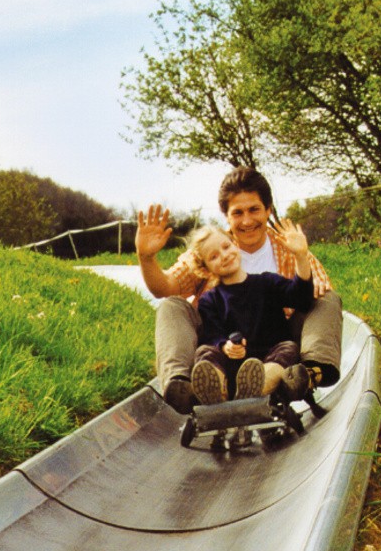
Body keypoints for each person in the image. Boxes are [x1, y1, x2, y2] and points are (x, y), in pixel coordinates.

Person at [136, 166, 343, 414]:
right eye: (238, 213)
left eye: (254, 210)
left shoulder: (289, 247)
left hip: (276, 347)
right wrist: (146, 258)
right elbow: (165, 287)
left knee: (327, 298)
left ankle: (307, 374)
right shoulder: (213, 247)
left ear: (268, 210)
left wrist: (307, 276)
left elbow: (313, 295)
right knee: (171, 305)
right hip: (220, 349)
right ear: (227, 217)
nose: (246, 221)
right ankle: (183, 386)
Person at [185, 220, 314, 405]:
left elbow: (301, 298)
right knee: (205, 351)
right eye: (213, 257)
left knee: (288, 348)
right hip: (231, 367)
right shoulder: (209, 300)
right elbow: (212, 334)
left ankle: (258, 386)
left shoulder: (267, 282)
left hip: (270, 358)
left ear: (235, 245)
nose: (224, 256)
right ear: (205, 269)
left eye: (226, 246)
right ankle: (216, 389)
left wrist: (301, 256)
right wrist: (224, 346)